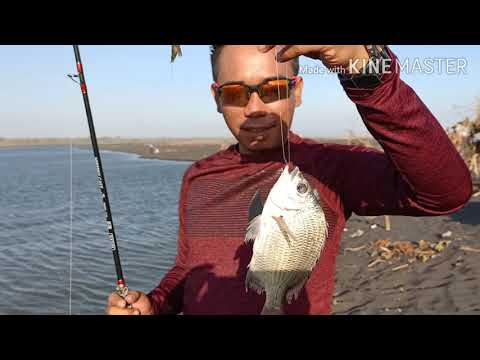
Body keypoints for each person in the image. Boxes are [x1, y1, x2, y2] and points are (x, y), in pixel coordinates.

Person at [106, 45, 473, 315]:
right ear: (217, 98)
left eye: (273, 89)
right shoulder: (199, 176)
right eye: (235, 92)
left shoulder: (330, 168)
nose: (255, 108)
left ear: (297, 91)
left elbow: (446, 193)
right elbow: (187, 268)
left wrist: (367, 68)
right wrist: (154, 305)